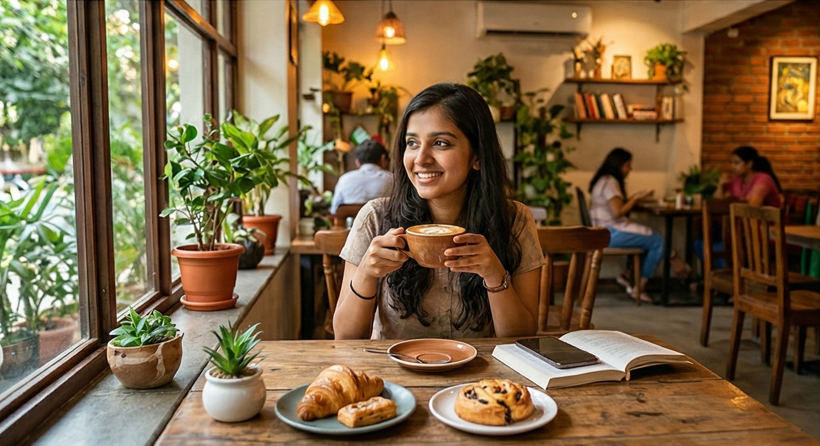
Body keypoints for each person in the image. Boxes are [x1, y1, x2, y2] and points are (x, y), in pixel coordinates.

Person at [333, 83, 544, 340]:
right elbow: (345, 338)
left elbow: (523, 337)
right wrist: (366, 273)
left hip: (484, 379)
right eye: (412, 143)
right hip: (398, 377)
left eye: (441, 143)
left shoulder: (514, 220)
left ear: (477, 156)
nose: (421, 158)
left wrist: (494, 274)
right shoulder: (376, 218)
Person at [589, 148, 662, 303]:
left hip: (601, 231)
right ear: (618, 165)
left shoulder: (602, 180)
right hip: (609, 234)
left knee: (648, 240)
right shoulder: (610, 183)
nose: (629, 169)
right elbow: (617, 213)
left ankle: (627, 276)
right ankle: (639, 288)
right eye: (627, 165)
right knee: (657, 241)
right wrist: (635, 198)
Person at [329, 139, 393, 214]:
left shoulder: (344, 179)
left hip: (350, 225)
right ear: (383, 158)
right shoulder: (392, 179)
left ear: (357, 162)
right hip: (385, 225)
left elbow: (334, 210)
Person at [714, 146, 783, 208]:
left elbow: (754, 204)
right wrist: (720, 185)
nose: (732, 166)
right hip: (746, 220)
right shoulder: (737, 180)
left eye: (736, 163)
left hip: (768, 221)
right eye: (731, 162)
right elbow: (717, 204)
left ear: (749, 164)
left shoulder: (763, 179)